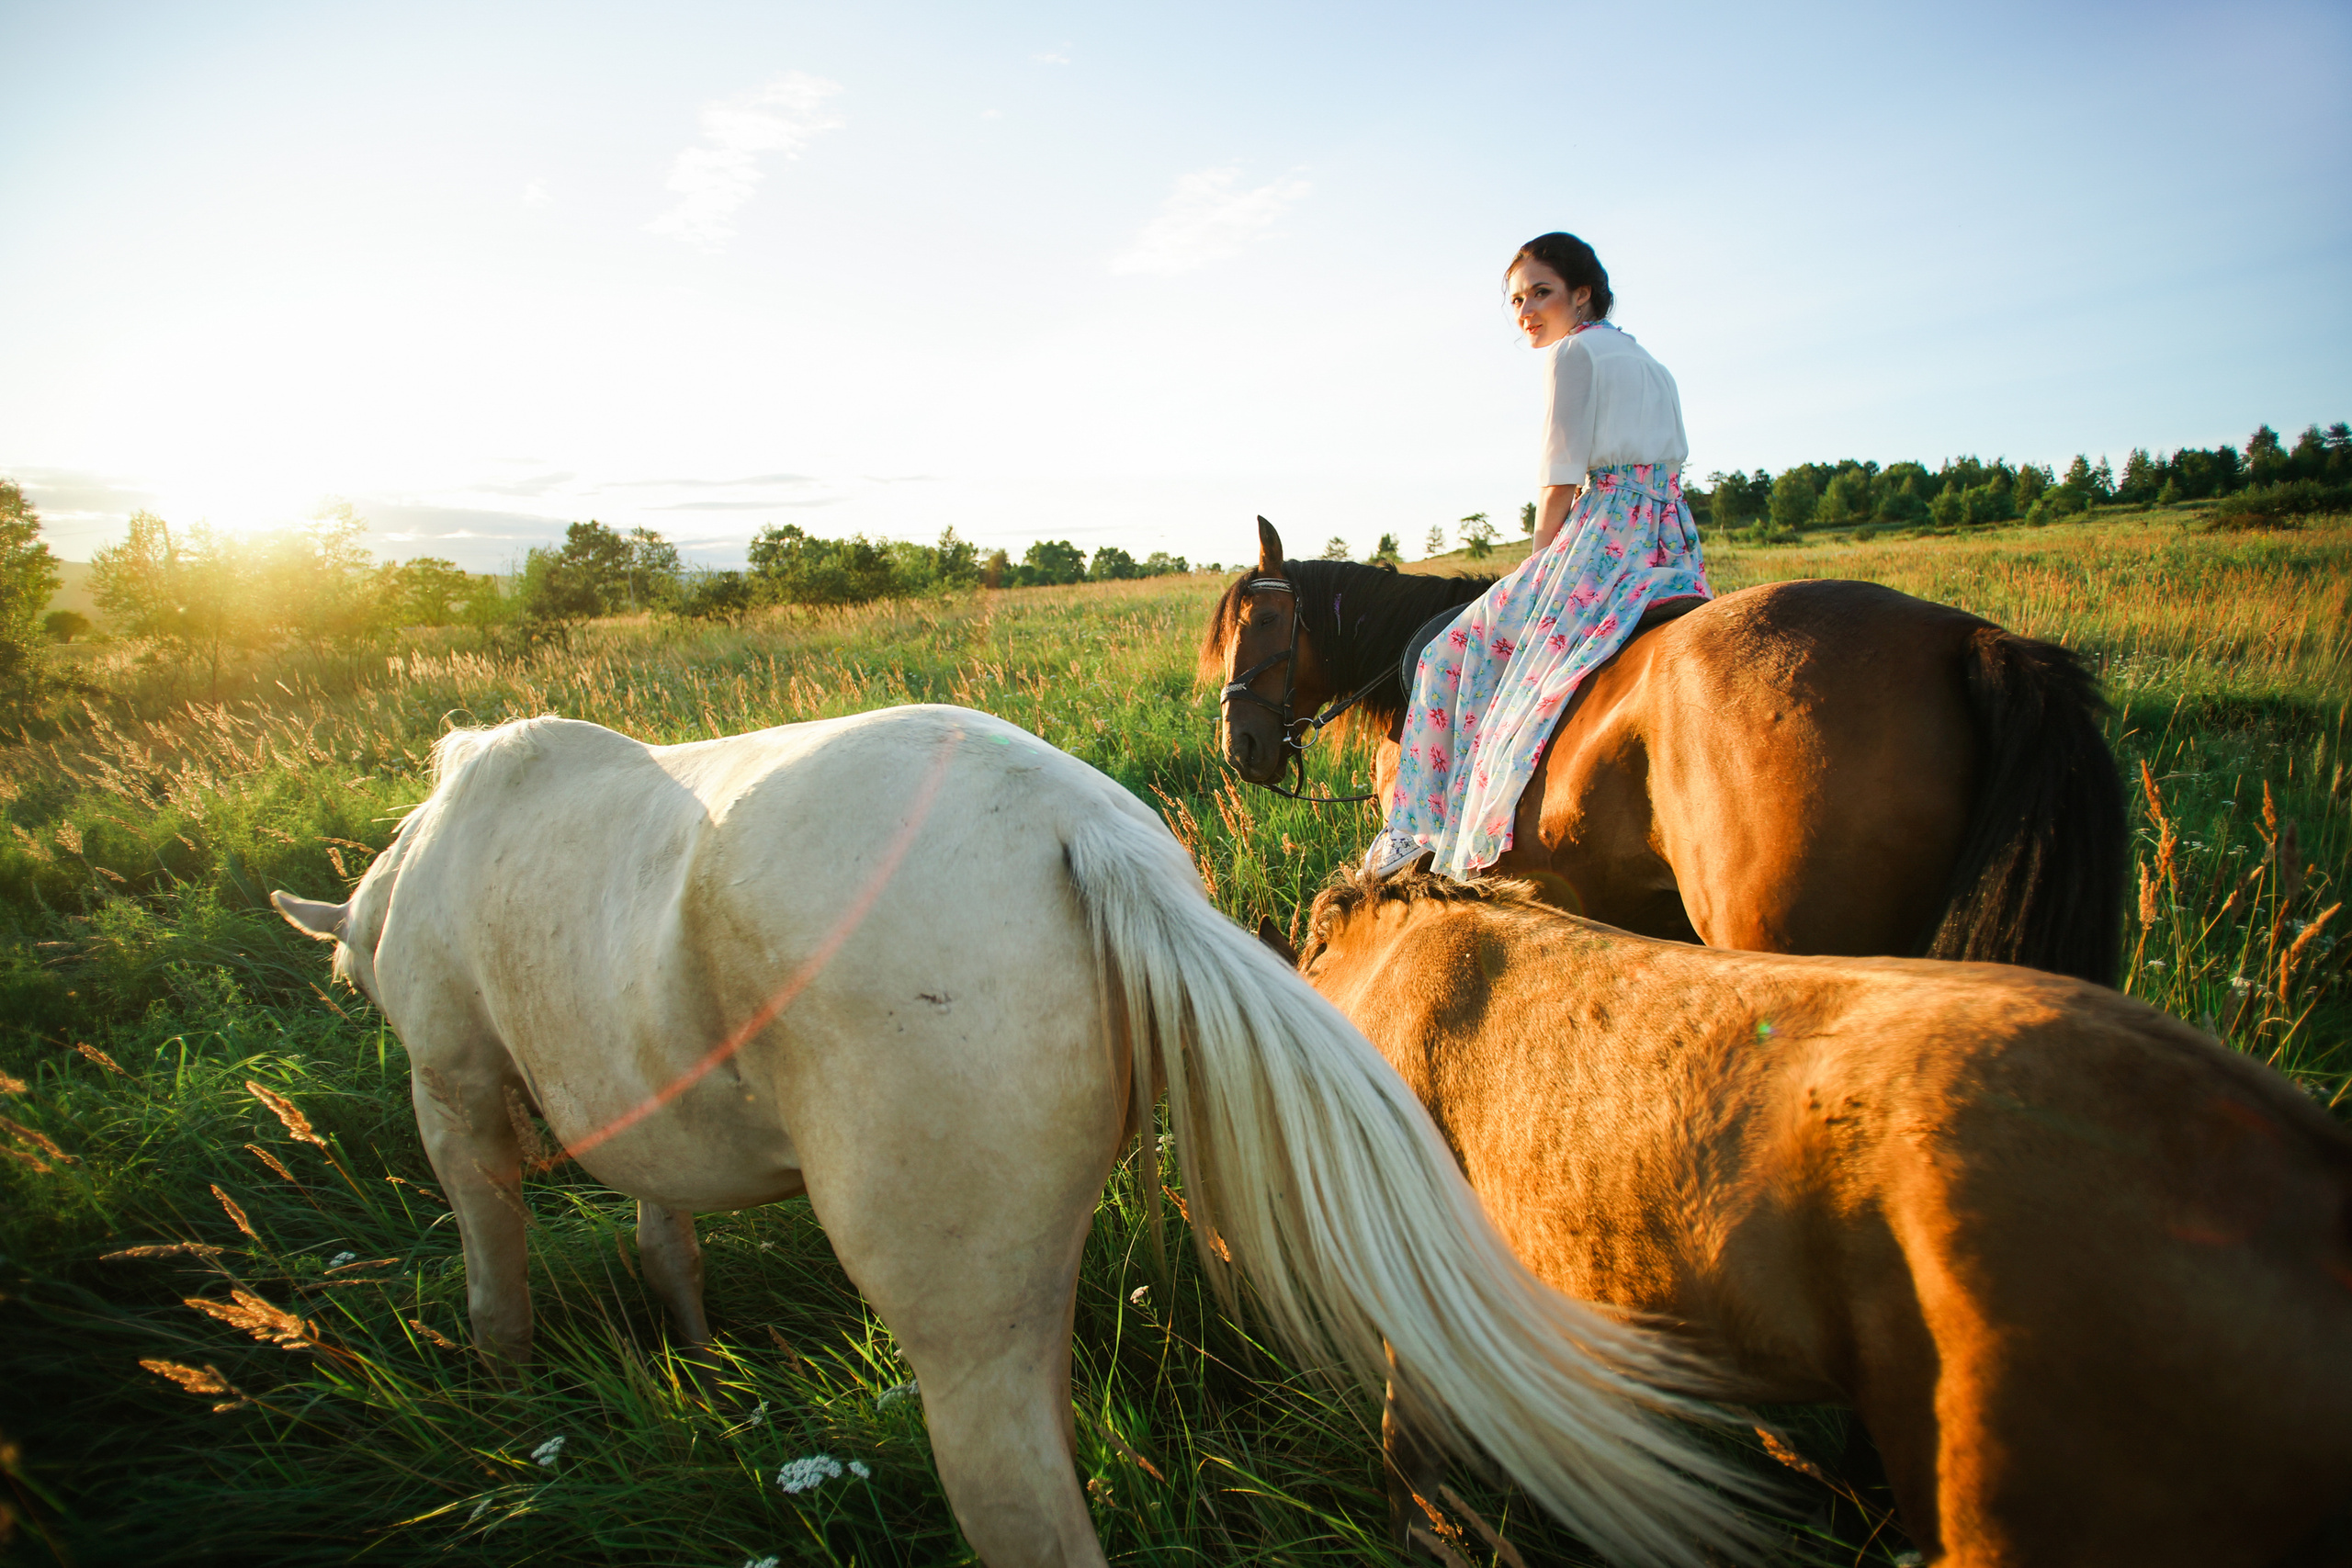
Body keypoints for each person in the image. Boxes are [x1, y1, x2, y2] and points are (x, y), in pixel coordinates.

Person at [1363, 231, 1708, 878]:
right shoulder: (1649, 362)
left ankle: (1414, 828)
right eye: (1517, 300)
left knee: (1447, 655)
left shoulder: (1573, 354)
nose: (1526, 311)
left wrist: (1538, 563)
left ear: (1582, 294)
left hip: (1604, 530)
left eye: (1541, 293)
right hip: (1667, 535)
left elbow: (1559, 478)